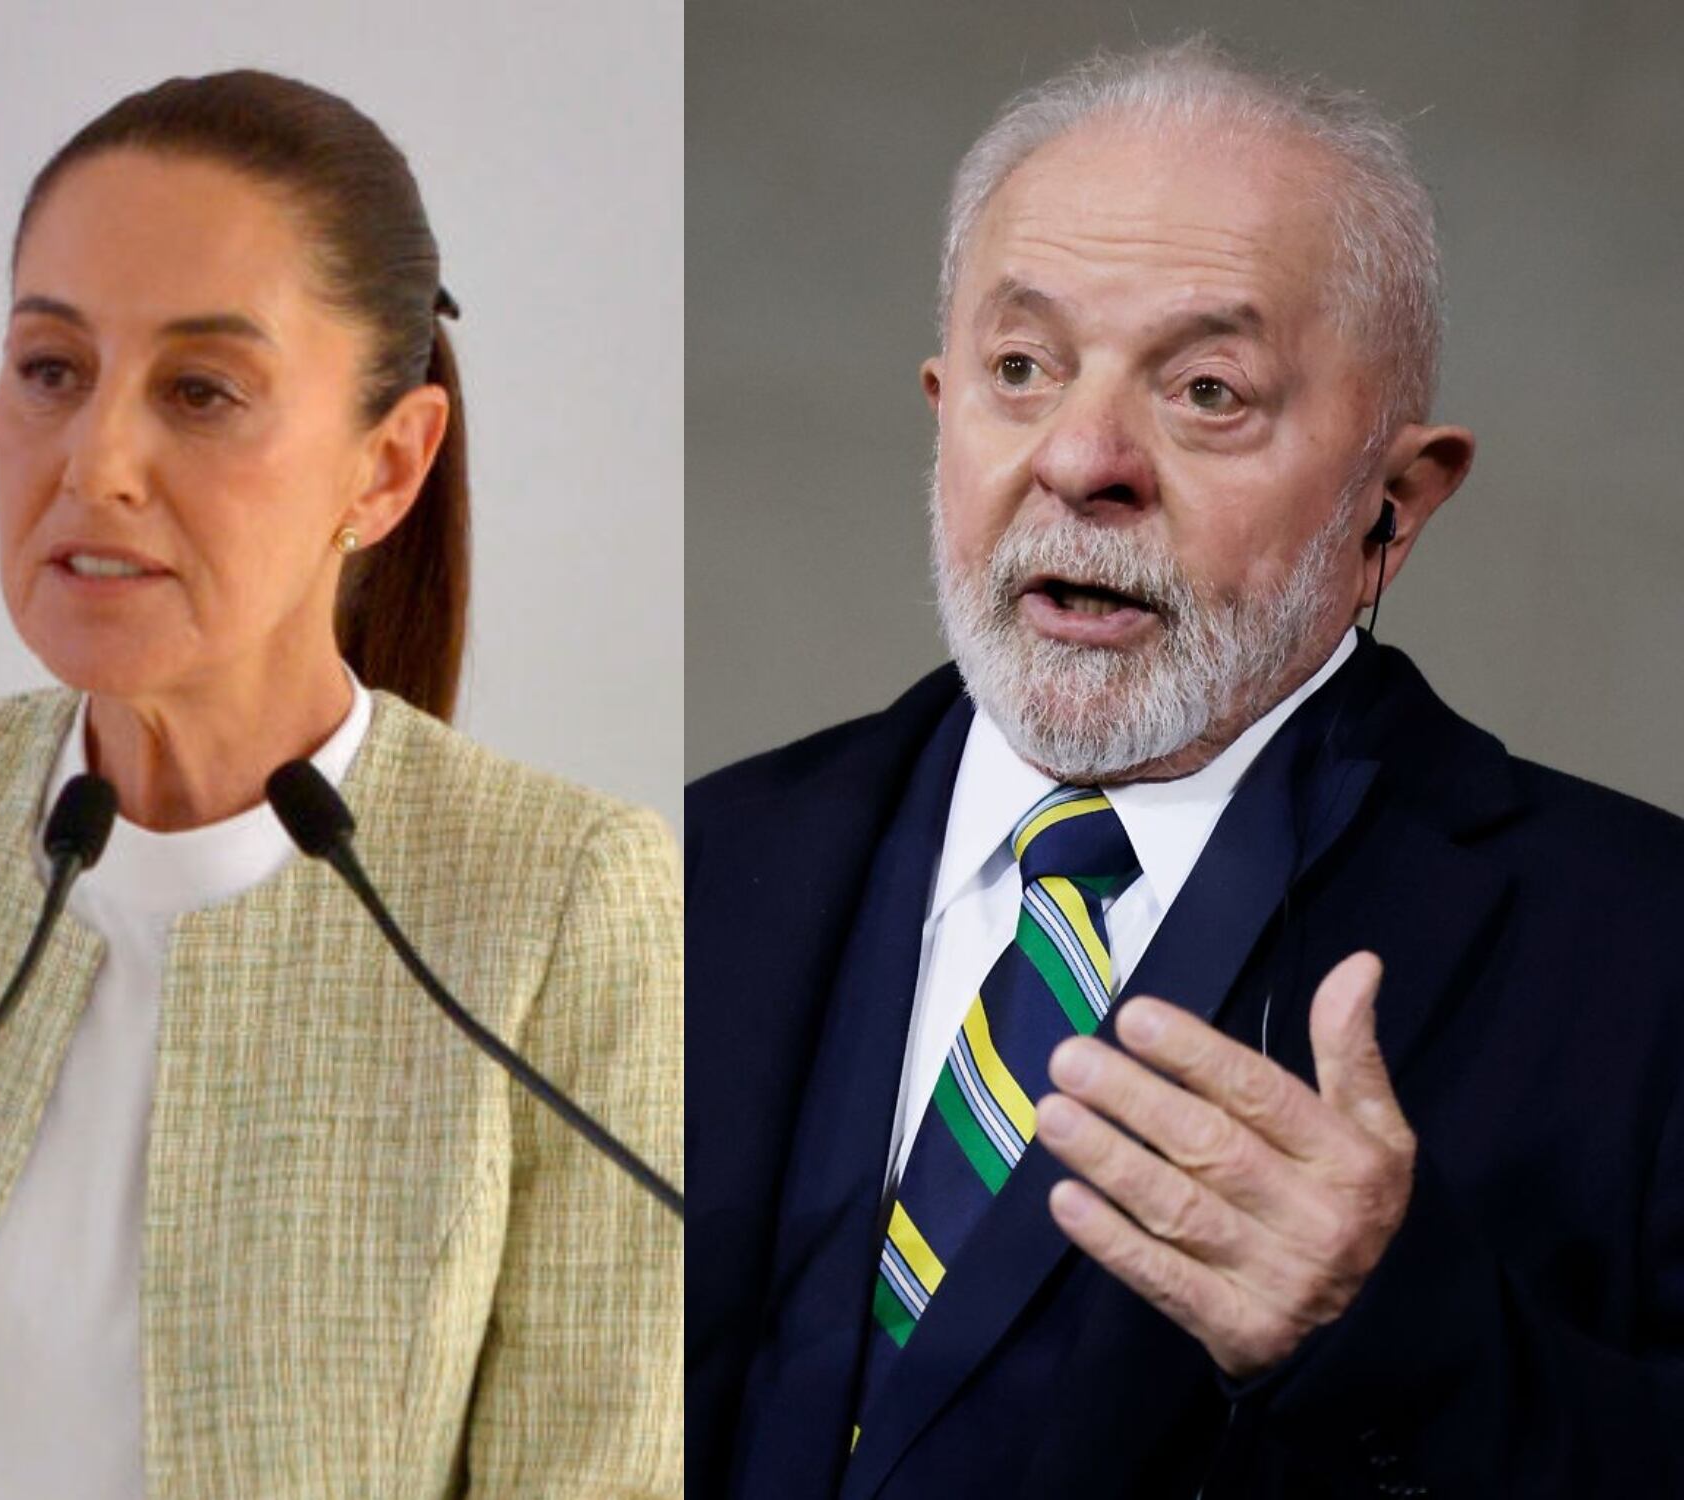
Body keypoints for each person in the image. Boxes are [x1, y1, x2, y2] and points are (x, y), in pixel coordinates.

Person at [686, 38, 1684, 1499]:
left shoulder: (1642, 949)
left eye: (1208, 390)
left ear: (1394, 504)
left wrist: (1396, 1337)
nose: (1083, 457)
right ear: (939, 410)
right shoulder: (704, 869)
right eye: (1018, 368)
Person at [0, 71, 681, 1499]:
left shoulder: (556, 902)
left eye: (201, 392)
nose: (95, 462)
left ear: (386, 468)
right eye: (51, 370)